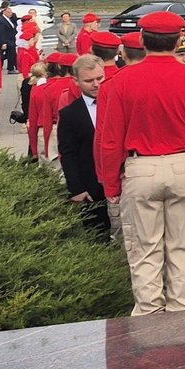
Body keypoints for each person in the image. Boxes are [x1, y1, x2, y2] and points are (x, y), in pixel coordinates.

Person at [93, 9, 185, 315]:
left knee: (144, 248)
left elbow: (110, 139)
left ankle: (149, 314)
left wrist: (111, 183)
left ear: (142, 42)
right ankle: (184, 310)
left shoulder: (122, 81)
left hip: (140, 167)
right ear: (178, 42)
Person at [58, 54, 110, 236]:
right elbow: (68, 153)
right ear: (76, 81)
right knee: (98, 237)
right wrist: (77, 189)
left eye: (99, 78)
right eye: (89, 80)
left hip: (123, 183)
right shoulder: (69, 114)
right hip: (91, 188)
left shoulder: (118, 103)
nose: (96, 84)